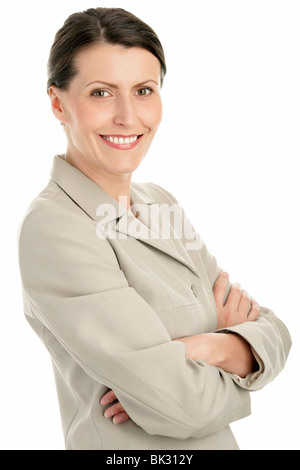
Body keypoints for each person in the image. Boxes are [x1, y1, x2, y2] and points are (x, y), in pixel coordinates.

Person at [17, 7, 291, 450]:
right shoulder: (55, 228)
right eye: (102, 93)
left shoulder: (160, 202)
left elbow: (276, 332)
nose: (128, 116)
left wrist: (205, 348)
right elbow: (184, 404)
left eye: (144, 90)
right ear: (57, 102)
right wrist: (238, 351)